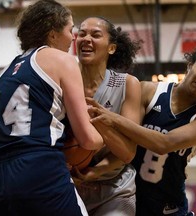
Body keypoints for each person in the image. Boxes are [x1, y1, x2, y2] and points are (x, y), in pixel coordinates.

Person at [0, 1, 103, 216]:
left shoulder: (5, 72)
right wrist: (104, 136)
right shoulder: (63, 60)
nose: (73, 36)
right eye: (70, 29)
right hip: (37, 166)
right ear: (52, 33)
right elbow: (88, 139)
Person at [87, 44, 196, 215]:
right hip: (128, 195)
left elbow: (164, 143)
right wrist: (95, 171)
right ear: (189, 65)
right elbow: (126, 147)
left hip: (168, 205)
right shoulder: (149, 91)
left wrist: (114, 118)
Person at [72, 16, 142, 215]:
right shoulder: (62, 80)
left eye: (95, 35)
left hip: (114, 187)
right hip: (69, 185)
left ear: (111, 48)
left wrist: (94, 172)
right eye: (82, 33)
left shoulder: (127, 84)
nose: (86, 39)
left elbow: (127, 152)